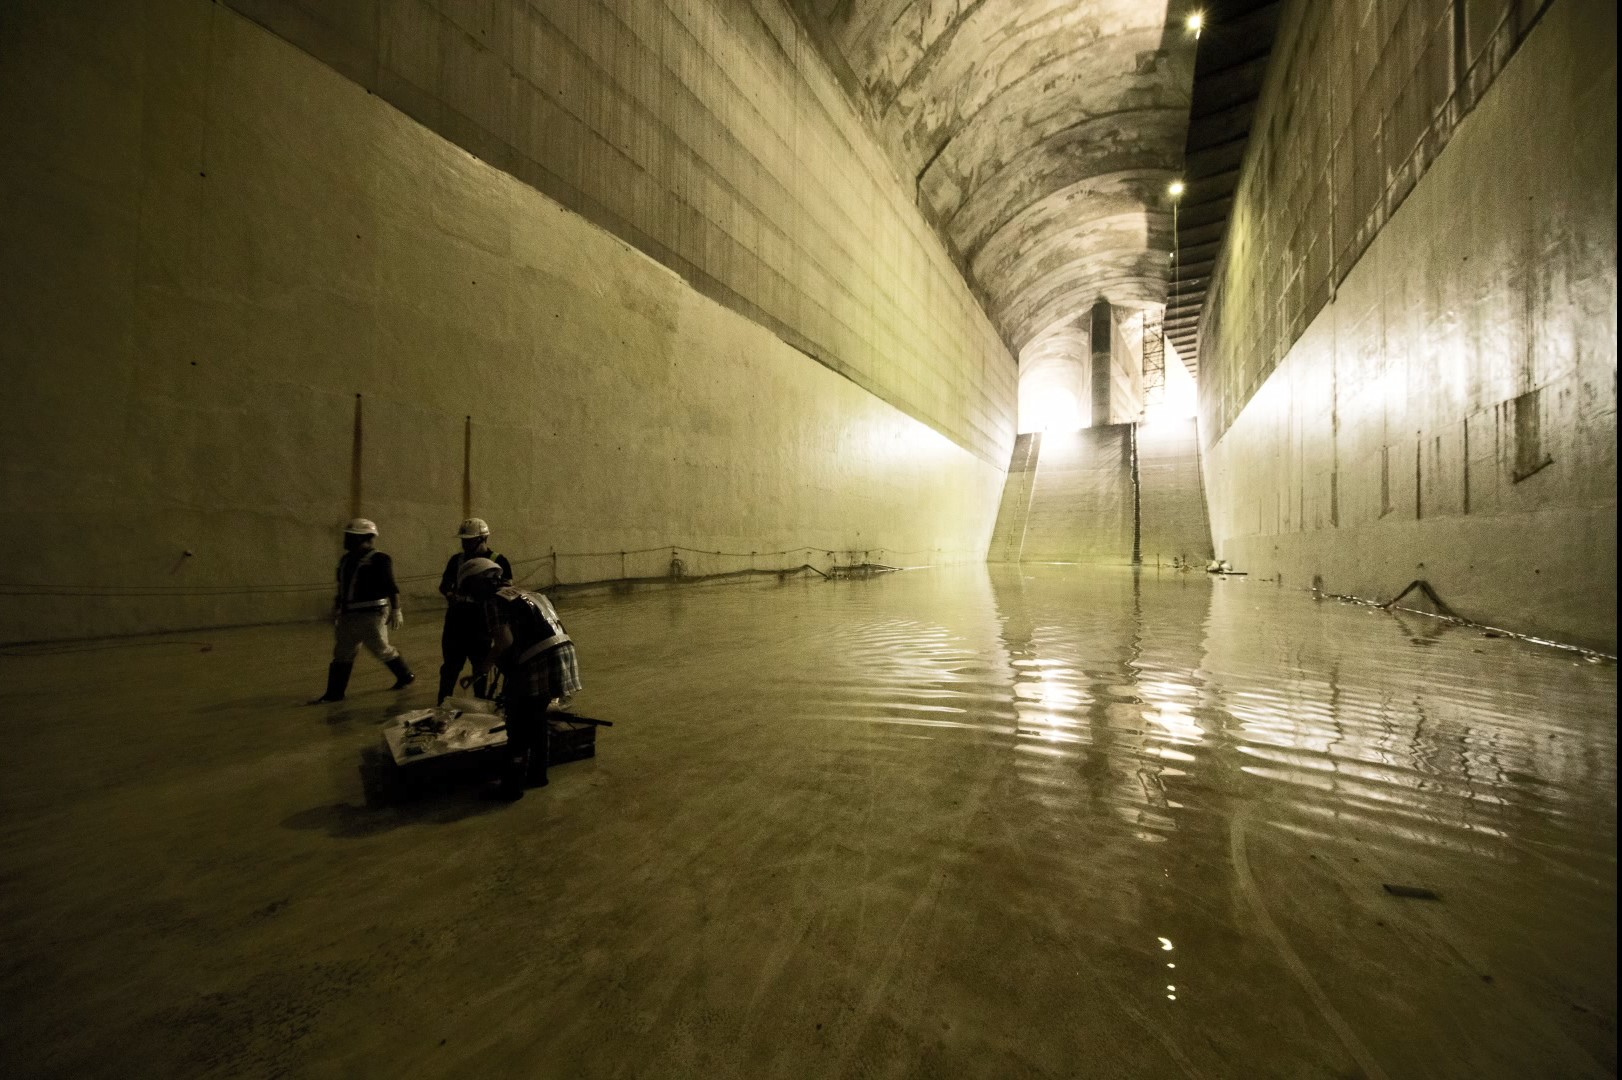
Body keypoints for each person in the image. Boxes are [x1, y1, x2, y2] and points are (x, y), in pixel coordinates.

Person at [457, 558, 581, 800]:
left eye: (471, 590)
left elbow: (504, 642)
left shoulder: (493, 601)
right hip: (562, 654)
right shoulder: (528, 593)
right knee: (537, 717)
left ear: (478, 583)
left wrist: (481, 669)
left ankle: (511, 788)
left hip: (538, 660)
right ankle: (538, 775)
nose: (472, 597)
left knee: (518, 724)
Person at [309, 518, 415, 703]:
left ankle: (405, 675)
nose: (346, 540)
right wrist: (337, 608)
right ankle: (334, 694)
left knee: (380, 648)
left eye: (350, 536)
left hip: (372, 613)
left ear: (364, 538)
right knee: (342, 652)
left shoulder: (380, 559)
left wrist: (396, 609)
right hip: (348, 614)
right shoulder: (345, 560)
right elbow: (343, 586)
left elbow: (391, 587)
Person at [435, 518, 514, 704]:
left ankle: (481, 704)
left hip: (482, 624)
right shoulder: (457, 560)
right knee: (450, 667)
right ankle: (442, 704)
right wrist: (450, 594)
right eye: (463, 540)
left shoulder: (498, 561)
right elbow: (444, 585)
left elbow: (506, 592)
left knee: (480, 666)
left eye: (469, 540)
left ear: (483, 538)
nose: (465, 544)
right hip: (456, 623)